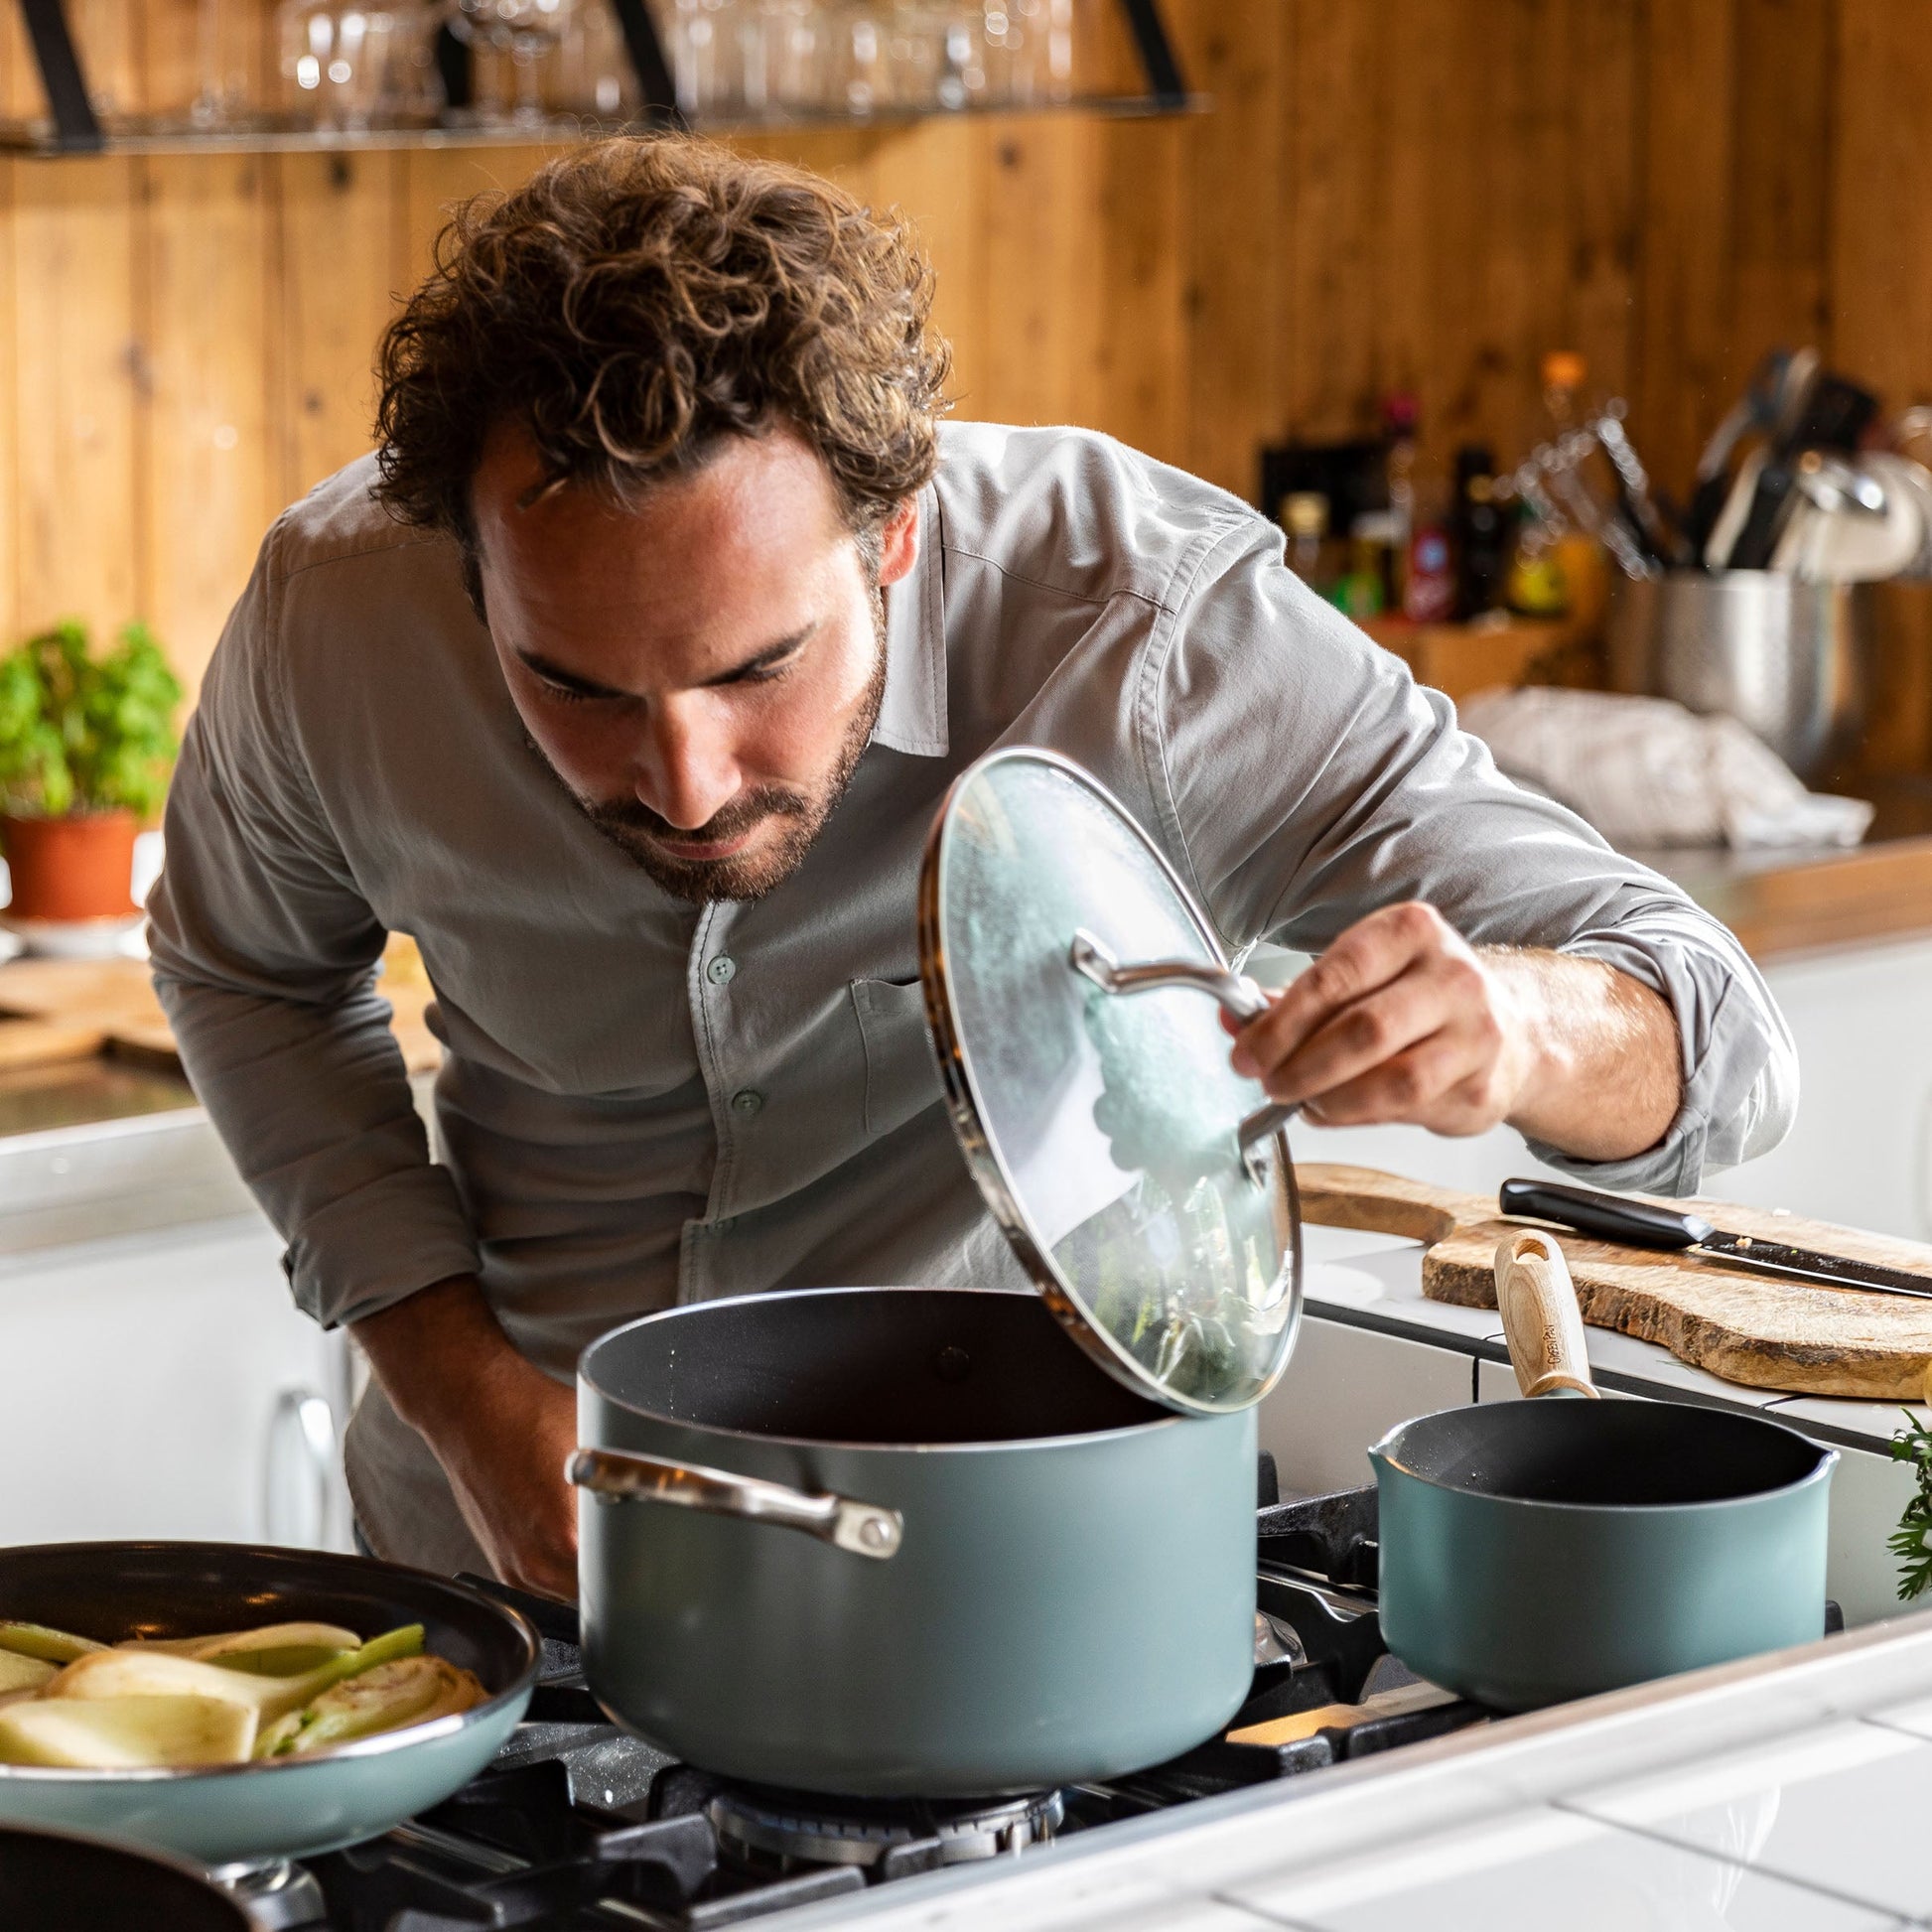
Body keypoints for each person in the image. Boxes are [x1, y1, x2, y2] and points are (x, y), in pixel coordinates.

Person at [149, 137, 1794, 1598]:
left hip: (1018, 1582)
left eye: (755, 667)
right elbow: (245, 971)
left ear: (895, 535)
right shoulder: (338, 615)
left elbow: (1717, 1040)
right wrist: (462, 1400)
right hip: (499, 1555)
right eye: (570, 686)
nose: (682, 780)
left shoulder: (1142, 628)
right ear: (469, 571)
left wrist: (1517, 1022)